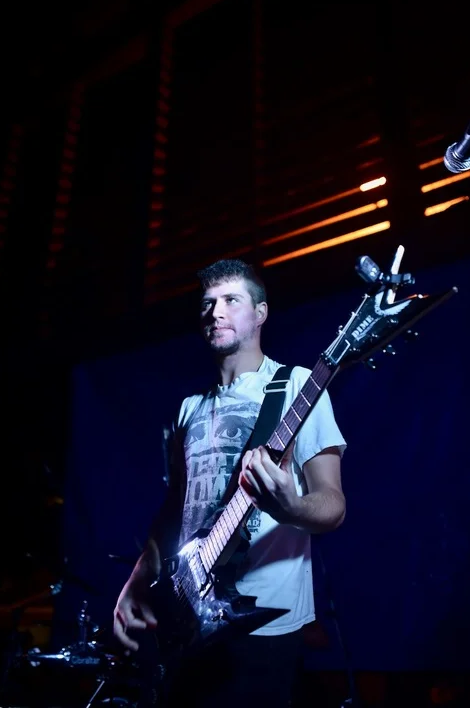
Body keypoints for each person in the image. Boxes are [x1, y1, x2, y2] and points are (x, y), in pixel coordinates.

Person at [113, 258, 347, 707]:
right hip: (188, 617)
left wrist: (290, 506)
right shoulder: (189, 408)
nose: (215, 312)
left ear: (260, 313)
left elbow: (333, 504)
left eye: (230, 300)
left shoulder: (296, 385)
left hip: (262, 623)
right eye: (208, 303)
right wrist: (136, 581)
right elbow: (174, 509)